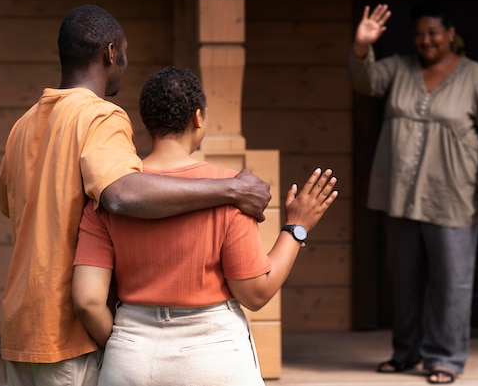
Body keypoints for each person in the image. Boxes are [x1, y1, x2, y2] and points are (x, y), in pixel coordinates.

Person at [0, 5, 271, 386]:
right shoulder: (100, 116)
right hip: (68, 336)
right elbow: (122, 195)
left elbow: (13, 209)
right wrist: (231, 188)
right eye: (124, 52)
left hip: (20, 332)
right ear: (111, 53)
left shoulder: (22, 126)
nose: (124, 62)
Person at [71, 66, 338, 386]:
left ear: (147, 122)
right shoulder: (234, 190)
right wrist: (296, 227)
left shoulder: (110, 193)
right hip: (214, 357)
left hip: (131, 356)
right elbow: (255, 293)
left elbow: (87, 301)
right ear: (198, 117)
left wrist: (125, 345)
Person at [349, 1, 478, 384]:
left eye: (434, 33)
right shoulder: (400, 68)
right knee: (403, 280)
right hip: (401, 195)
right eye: (420, 33)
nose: (426, 40)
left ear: (450, 34)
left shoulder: (476, 77)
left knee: (451, 282)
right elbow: (365, 81)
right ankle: (406, 352)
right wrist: (361, 46)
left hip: (453, 196)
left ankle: (446, 358)